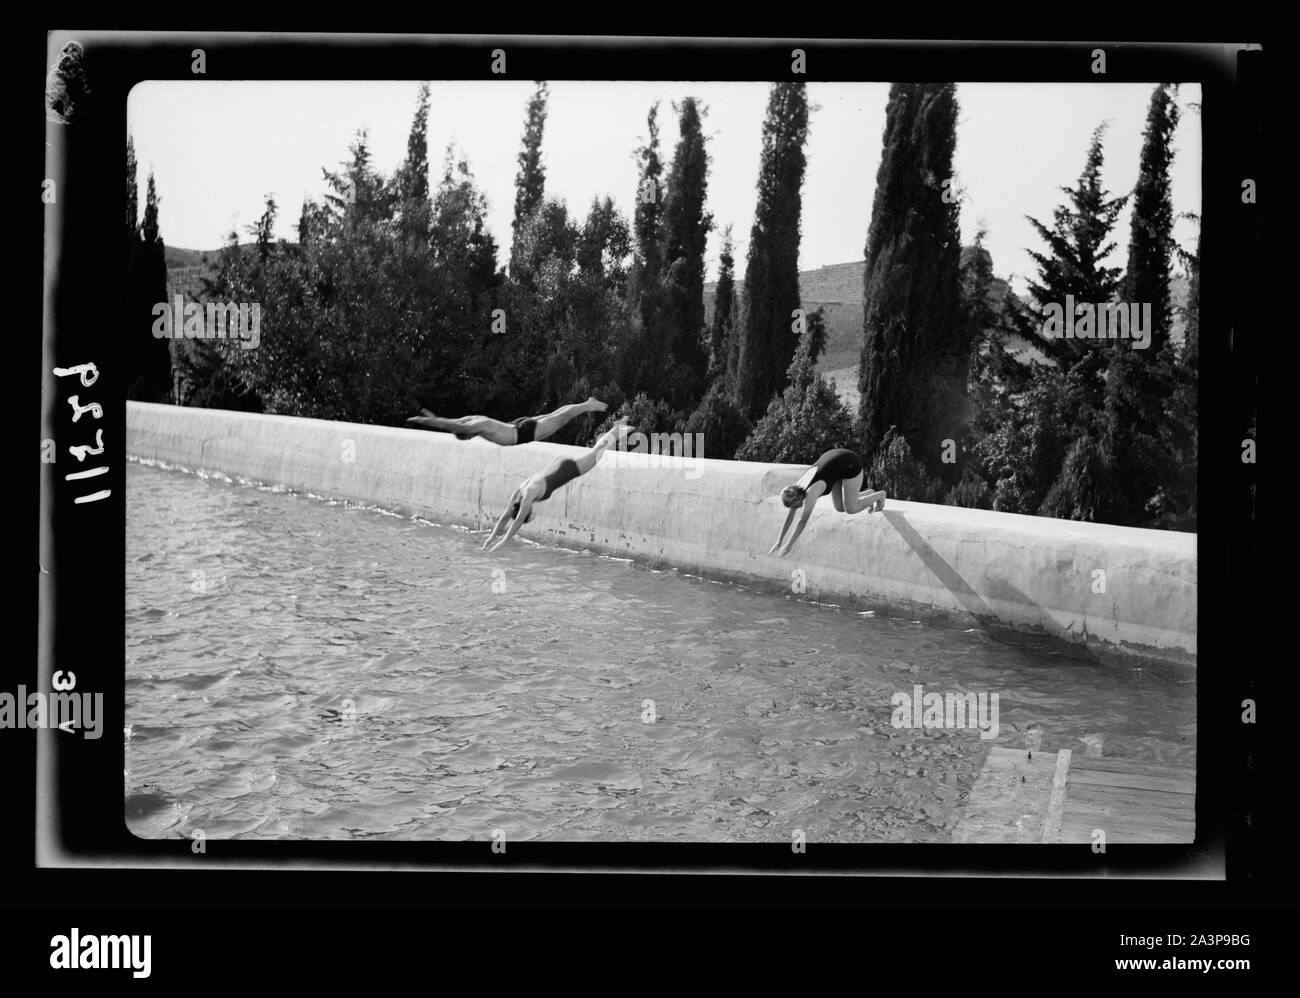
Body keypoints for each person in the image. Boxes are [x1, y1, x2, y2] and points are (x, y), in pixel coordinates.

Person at [481, 419, 630, 553]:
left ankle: (618, 429)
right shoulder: (519, 492)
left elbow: (518, 521)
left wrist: (503, 541)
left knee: (597, 452)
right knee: (596, 452)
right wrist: (491, 537)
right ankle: (618, 429)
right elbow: (505, 516)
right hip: (557, 464)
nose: (530, 509)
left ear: (524, 510)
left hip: (566, 470)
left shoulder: (527, 496)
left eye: (527, 512)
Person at [768, 447, 885, 557]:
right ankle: (869, 494)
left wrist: (788, 546)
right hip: (837, 464)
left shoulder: (810, 493)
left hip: (850, 463)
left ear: (797, 499)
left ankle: (880, 495)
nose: (794, 509)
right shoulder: (796, 489)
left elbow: (802, 522)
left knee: (851, 508)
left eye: (793, 506)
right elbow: (790, 517)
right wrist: (779, 540)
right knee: (839, 507)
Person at [405, 397, 608, 446]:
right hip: (516, 424)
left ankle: (587, 405)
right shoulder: (473, 419)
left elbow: (450, 425)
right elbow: (449, 422)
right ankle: (585, 404)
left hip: (522, 433)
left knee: (560, 419)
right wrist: (429, 418)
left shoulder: (477, 426)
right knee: (555, 414)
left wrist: (424, 420)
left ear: (467, 433)